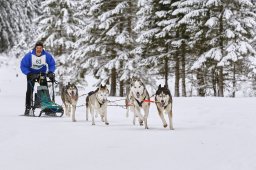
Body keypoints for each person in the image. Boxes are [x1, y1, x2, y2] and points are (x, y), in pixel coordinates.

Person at [20, 41, 56, 115]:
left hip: (41, 73)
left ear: (42, 49)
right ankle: (28, 108)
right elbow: (23, 65)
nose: (39, 49)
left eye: (40, 48)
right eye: (37, 48)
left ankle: (46, 107)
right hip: (31, 74)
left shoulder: (46, 55)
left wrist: (50, 72)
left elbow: (52, 64)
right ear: (35, 48)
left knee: (44, 88)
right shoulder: (29, 55)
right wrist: (28, 73)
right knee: (30, 90)